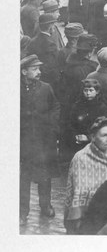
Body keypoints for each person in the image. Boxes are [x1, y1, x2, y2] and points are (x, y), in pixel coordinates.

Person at [20, 55, 60, 225]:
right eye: (34, 69)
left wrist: (52, 126)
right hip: (25, 143)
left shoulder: (46, 88)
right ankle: (22, 212)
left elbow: (56, 106)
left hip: (44, 141)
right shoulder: (15, 90)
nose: (39, 72)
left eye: (39, 68)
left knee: (45, 175)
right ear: (24, 71)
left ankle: (46, 206)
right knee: (24, 177)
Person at [64, 116, 107, 234]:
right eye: (104, 135)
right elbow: (79, 192)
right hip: (87, 214)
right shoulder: (81, 158)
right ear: (93, 137)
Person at [26, 14, 61, 89]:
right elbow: (52, 64)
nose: (54, 27)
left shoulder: (32, 41)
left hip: (36, 76)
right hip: (49, 79)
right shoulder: (50, 43)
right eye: (53, 25)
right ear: (50, 26)